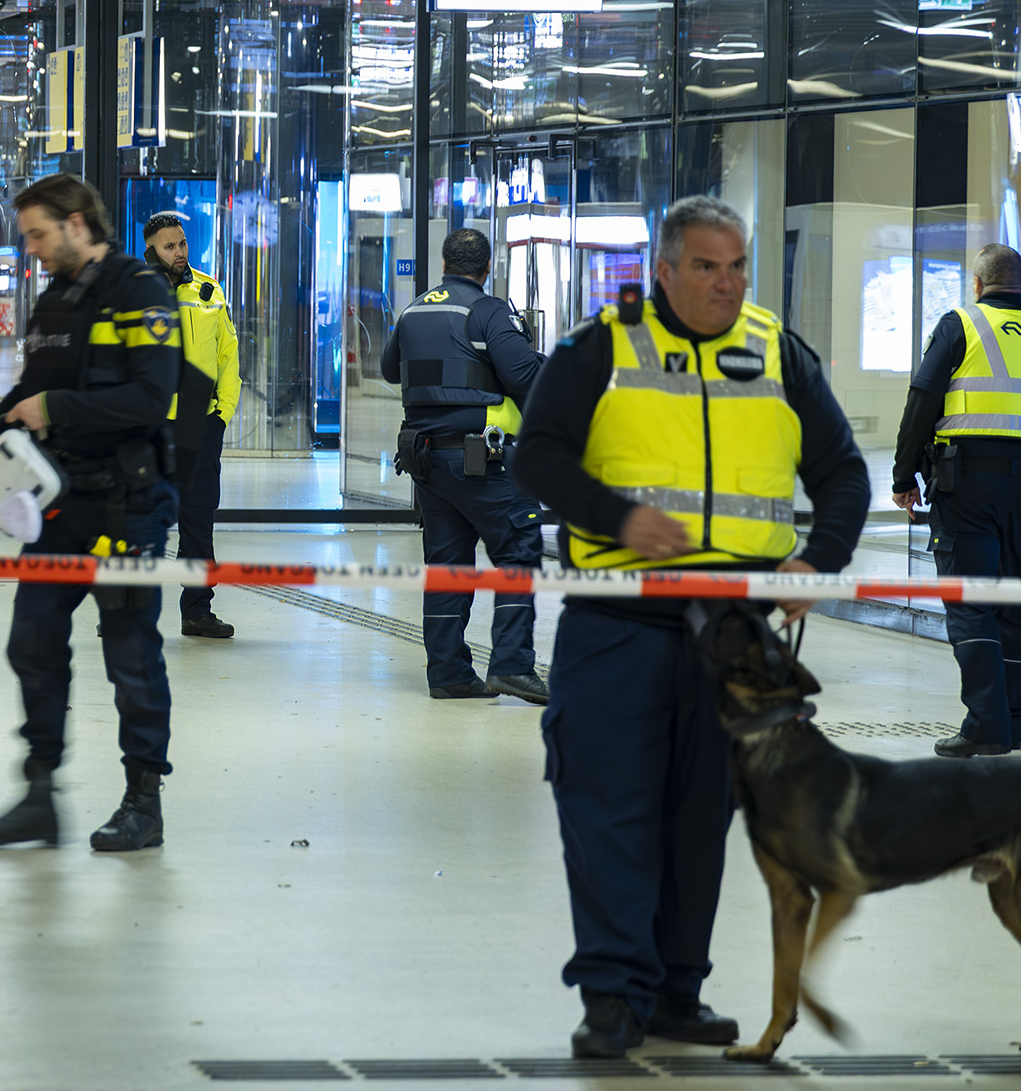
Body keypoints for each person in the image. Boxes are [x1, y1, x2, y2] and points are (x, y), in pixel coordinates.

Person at [513, 195, 870, 1058]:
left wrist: (815, 560)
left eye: (737, 264)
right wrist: (618, 516)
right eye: (706, 267)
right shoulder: (601, 343)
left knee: (699, 815)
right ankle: (612, 994)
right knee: (606, 807)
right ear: (664, 269)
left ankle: (677, 990)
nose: (725, 282)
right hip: (619, 619)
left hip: (733, 632)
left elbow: (844, 475)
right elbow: (538, 454)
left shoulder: (779, 351)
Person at [0, 175, 182, 852]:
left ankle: (142, 802)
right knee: (32, 640)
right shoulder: (54, 298)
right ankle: (40, 793)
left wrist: (59, 410)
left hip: (128, 505)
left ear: (77, 222)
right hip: (61, 506)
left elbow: (151, 398)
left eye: (39, 234)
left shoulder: (140, 290)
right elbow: (30, 389)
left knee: (130, 653)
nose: (33, 248)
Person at [380, 228, 550, 704]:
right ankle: (513, 666)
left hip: (427, 460)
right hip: (485, 459)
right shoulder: (489, 310)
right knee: (519, 550)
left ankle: (449, 673)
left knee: (447, 565)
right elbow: (523, 376)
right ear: (486, 267)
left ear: (444, 262)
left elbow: (392, 371)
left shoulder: (414, 310)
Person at [889, 242, 1021, 758]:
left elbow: (922, 400)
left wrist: (904, 476)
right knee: (1014, 603)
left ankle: (987, 725)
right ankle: (1014, 718)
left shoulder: (961, 323)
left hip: (967, 486)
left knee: (970, 602)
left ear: (977, 284)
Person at [143, 211, 241, 639]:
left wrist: (222, 415)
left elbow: (228, 356)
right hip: (148, 427)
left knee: (198, 523)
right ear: (150, 250)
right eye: (169, 246)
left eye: (182, 243)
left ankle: (197, 611)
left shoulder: (209, 291)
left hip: (199, 428)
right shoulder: (132, 293)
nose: (180, 252)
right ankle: (125, 613)